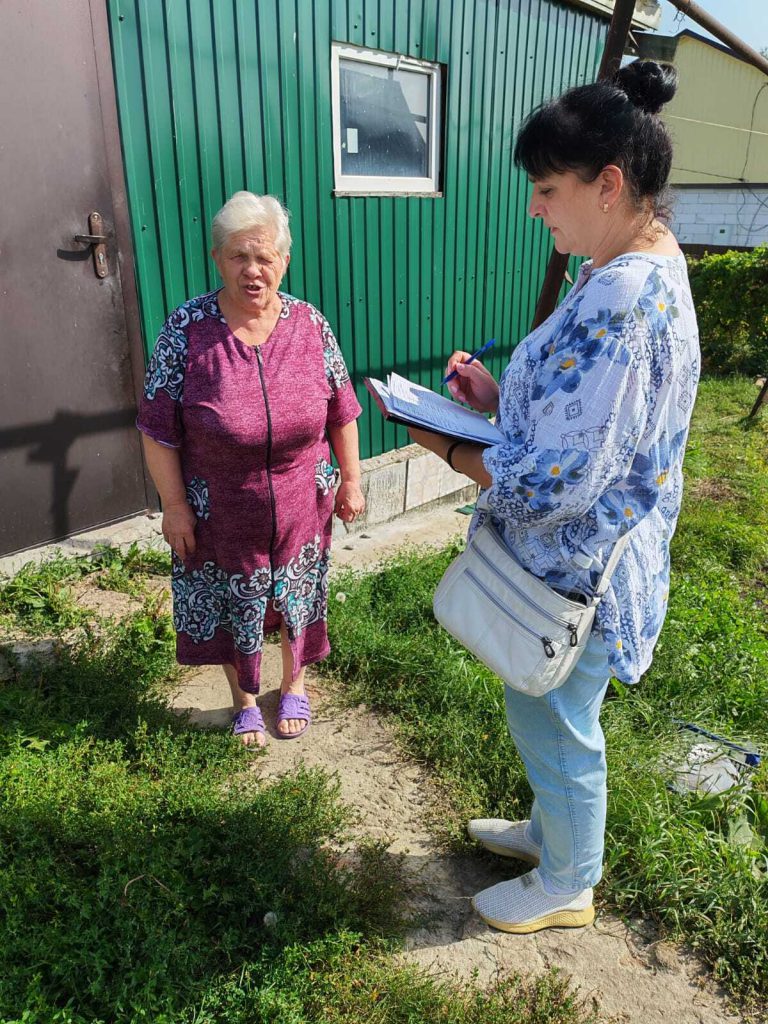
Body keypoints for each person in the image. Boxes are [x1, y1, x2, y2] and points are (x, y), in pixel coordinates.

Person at [408, 61, 700, 934]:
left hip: (579, 571)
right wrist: (503, 401)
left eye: (547, 189)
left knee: (555, 720)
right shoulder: (631, 263)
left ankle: (570, 880)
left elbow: (557, 483)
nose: (536, 208)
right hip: (594, 558)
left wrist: (447, 443)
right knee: (555, 711)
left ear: (608, 185)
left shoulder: (624, 297)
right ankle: (550, 832)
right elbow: (598, 425)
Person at [137, 191, 365, 747]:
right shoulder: (186, 330)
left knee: (298, 596)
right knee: (229, 601)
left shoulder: (311, 324)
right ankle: (243, 699)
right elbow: (156, 429)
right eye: (239, 256)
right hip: (219, 508)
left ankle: (293, 686)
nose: (253, 270)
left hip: (302, 501)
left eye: (264, 257)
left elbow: (342, 409)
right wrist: (174, 506)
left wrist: (352, 480)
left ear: (284, 260)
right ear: (217, 259)